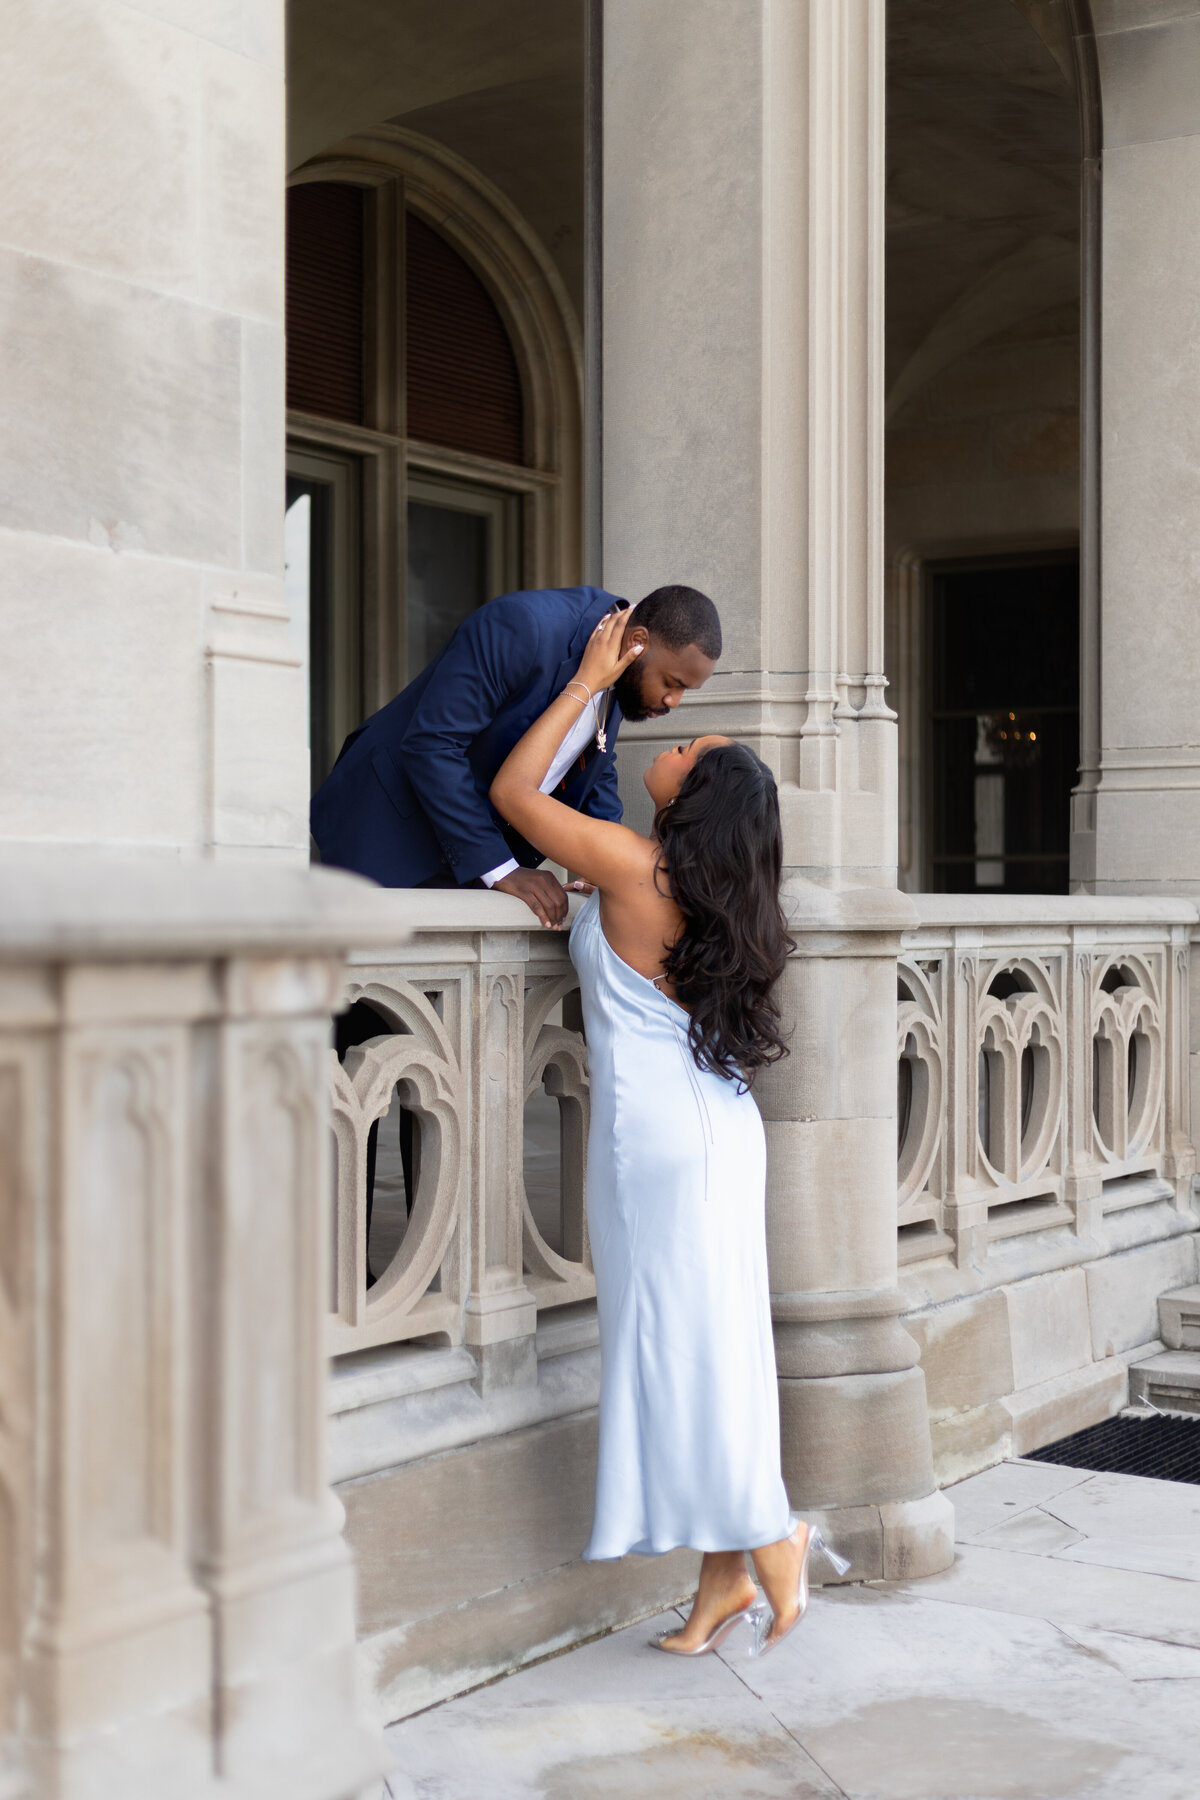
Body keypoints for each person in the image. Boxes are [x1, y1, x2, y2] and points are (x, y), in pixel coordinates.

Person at [490, 609, 849, 1660]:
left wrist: (590, 681)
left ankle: (767, 1530)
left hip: (665, 1145)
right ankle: (722, 1584)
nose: (677, 741)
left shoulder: (632, 867)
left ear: (696, 796)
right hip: (712, 1132)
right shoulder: (710, 888)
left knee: (686, 1350)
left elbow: (513, 796)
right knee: (712, 1347)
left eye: (692, 749)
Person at [310, 583, 722, 928]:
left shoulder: (622, 662)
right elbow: (432, 744)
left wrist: (602, 863)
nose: (674, 701)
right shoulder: (523, 626)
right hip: (383, 831)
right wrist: (500, 867)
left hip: (464, 853)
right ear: (638, 643)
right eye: (672, 682)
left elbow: (594, 758)